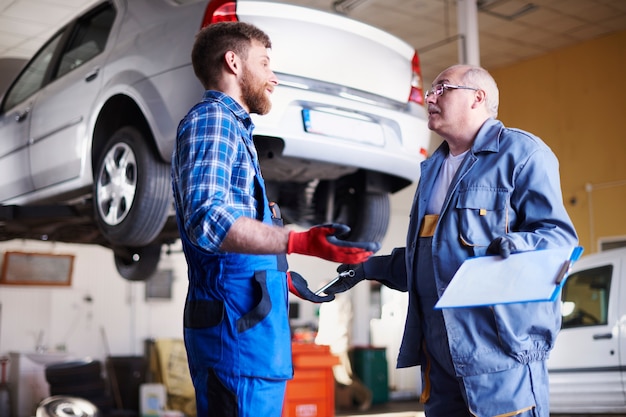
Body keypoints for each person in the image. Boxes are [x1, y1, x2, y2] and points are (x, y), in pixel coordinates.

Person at [324, 64, 578, 417]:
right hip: (439, 358)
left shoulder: (522, 154)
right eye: (431, 91)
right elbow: (431, 257)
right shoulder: (433, 169)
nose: (430, 97)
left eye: (443, 88)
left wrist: (516, 248)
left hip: (500, 355)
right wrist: (368, 268)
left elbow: (559, 241)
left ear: (478, 98)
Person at [170, 22, 379, 417]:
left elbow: (237, 239)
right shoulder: (212, 120)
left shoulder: (235, 130)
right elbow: (208, 219)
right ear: (233, 62)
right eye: (264, 63)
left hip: (252, 340)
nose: (274, 77)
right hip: (234, 342)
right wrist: (298, 242)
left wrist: (278, 276)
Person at [315, 291, 373, 411]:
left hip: (339, 345)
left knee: (345, 377)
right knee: (331, 379)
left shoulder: (342, 302)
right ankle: (332, 406)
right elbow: (323, 325)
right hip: (327, 346)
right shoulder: (325, 305)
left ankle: (365, 397)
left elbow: (344, 325)